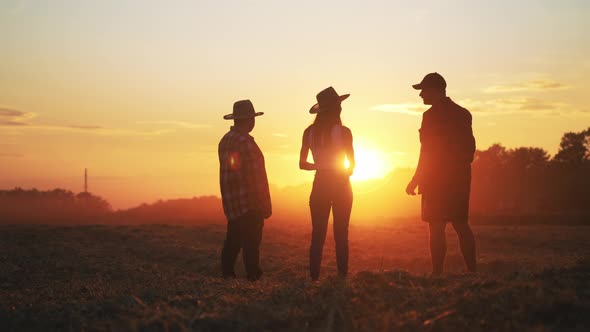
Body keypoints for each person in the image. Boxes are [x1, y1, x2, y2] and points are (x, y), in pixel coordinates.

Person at [405, 72, 477, 275]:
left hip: (435, 179)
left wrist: (415, 179)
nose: (420, 95)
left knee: (436, 227)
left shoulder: (429, 117)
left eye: (423, 91)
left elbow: (426, 151)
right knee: (461, 224)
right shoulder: (463, 113)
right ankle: (473, 273)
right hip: (460, 178)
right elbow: (470, 149)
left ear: (436, 90)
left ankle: (437, 275)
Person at [299, 86, 355, 281]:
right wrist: (339, 169)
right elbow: (352, 165)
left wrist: (321, 166)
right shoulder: (345, 132)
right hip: (341, 184)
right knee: (341, 233)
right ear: (336, 109)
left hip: (320, 183)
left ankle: (314, 277)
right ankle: (342, 277)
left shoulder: (309, 133)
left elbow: (302, 164)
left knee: (318, 234)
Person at [218, 99, 272, 281]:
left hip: (232, 202)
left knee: (233, 239)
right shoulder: (247, 143)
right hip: (250, 202)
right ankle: (253, 277)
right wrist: (264, 204)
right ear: (249, 120)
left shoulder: (225, 141)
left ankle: (227, 273)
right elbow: (256, 177)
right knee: (251, 243)